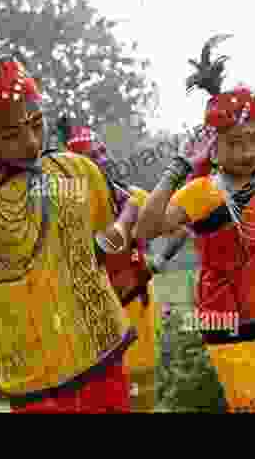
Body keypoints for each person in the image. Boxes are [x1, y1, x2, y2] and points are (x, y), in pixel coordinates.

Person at [0, 2, 210, 413]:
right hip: (36, 383)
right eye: (12, 134)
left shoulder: (77, 169)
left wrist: (188, 171)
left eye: (36, 123)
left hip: (106, 363)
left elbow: (146, 220)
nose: (30, 143)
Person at [134, 35, 255, 413]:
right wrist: (178, 168)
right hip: (234, 334)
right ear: (214, 147)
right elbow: (145, 231)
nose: (249, 152)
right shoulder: (201, 193)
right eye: (237, 143)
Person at [64, 125, 190, 412]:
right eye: (93, 157)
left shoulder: (131, 196)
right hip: (93, 331)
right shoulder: (70, 211)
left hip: (137, 321)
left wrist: (157, 261)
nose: (104, 159)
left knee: (139, 399)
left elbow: (181, 228)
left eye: (103, 151)